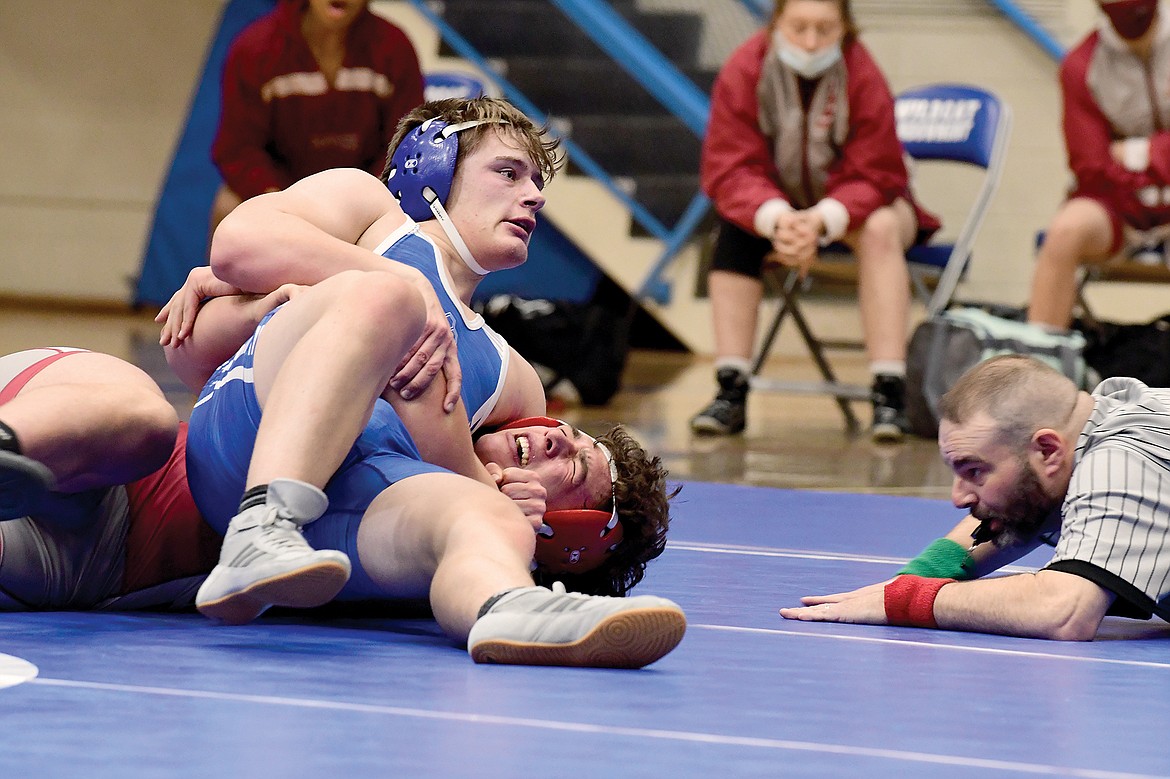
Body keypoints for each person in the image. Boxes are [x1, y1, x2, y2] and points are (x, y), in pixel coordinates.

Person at [173, 97, 686, 667]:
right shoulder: (369, 214)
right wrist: (402, 289)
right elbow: (236, 244)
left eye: (537, 183)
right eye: (509, 173)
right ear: (431, 169)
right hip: (242, 446)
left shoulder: (511, 375)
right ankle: (262, 521)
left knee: (488, 518)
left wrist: (501, 496)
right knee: (384, 299)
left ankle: (510, 605)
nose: (534, 196)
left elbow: (470, 465)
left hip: (349, 513)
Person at [0, 344, 676, 671]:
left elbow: (465, 538)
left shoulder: (441, 520)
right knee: (141, 417)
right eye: (572, 433)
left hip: (92, 561)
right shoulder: (450, 384)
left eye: (574, 467)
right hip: (89, 442)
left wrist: (507, 552)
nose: (557, 436)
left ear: (564, 538)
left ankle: (524, 607)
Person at [780, 353, 1170, 640]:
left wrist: (905, 601)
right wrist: (914, 578)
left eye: (974, 471)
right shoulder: (1089, 423)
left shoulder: (1124, 458)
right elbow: (1010, 514)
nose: (958, 497)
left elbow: (1062, 609)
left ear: (1048, 450)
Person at [690, 0, 940, 442]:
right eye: (799, 27)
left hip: (864, 208)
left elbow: (878, 171)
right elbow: (729, 165)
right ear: (776, 24)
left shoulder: (862, 73)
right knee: (731, 231)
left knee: (881, 227)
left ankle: (889, 393)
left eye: (825, 29)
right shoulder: (746, 68)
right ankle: (731, 389)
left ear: (845, 28)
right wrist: (780, 218)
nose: (810, 42)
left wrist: (822, 220)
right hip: (777, 207)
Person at [209, 0, 425, 234]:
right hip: (282, 192)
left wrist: (364, 202)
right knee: (227, 205)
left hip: (365, 198)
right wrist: (281, 201)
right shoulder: (253, 49)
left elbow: (407, 143)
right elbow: (238, 149)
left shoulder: (395, 48)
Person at [1028, 0, 1170, 330]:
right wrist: (1142, 180)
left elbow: (1109, 158)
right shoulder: (1081, 65)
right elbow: (1090, 166)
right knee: (1065, 230)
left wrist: (1139, 153)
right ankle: (1041, 362)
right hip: (1122, 203)